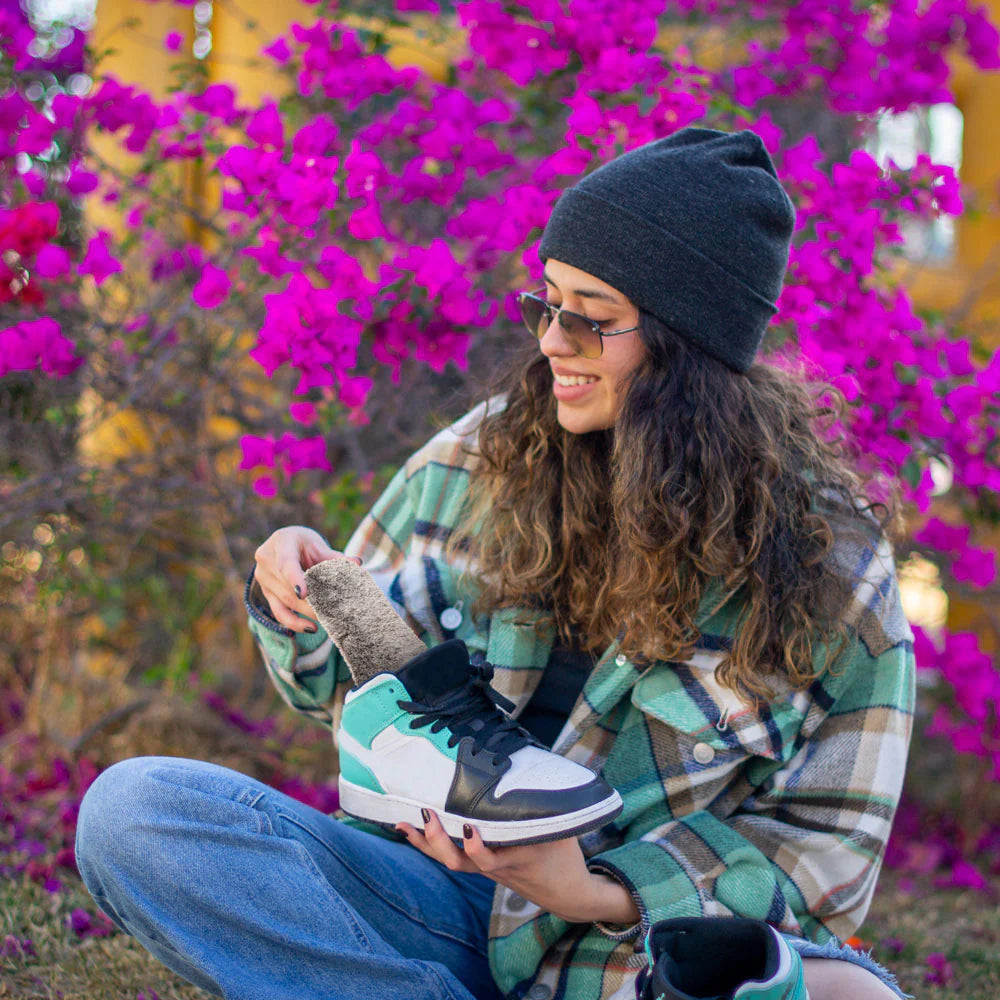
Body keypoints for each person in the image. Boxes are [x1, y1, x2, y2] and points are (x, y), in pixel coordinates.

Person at [75, 127, 915, 1000]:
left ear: (689, 345)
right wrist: (298, 589)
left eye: (591, 318)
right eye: (546, 304)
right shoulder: (481, 455)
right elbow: (352, 696)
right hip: (427, 900)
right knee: (135, 813)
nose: (554, 341)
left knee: (855, 997)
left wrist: (597, 889)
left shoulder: (832, 566)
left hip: (626, 957)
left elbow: (828, 850)